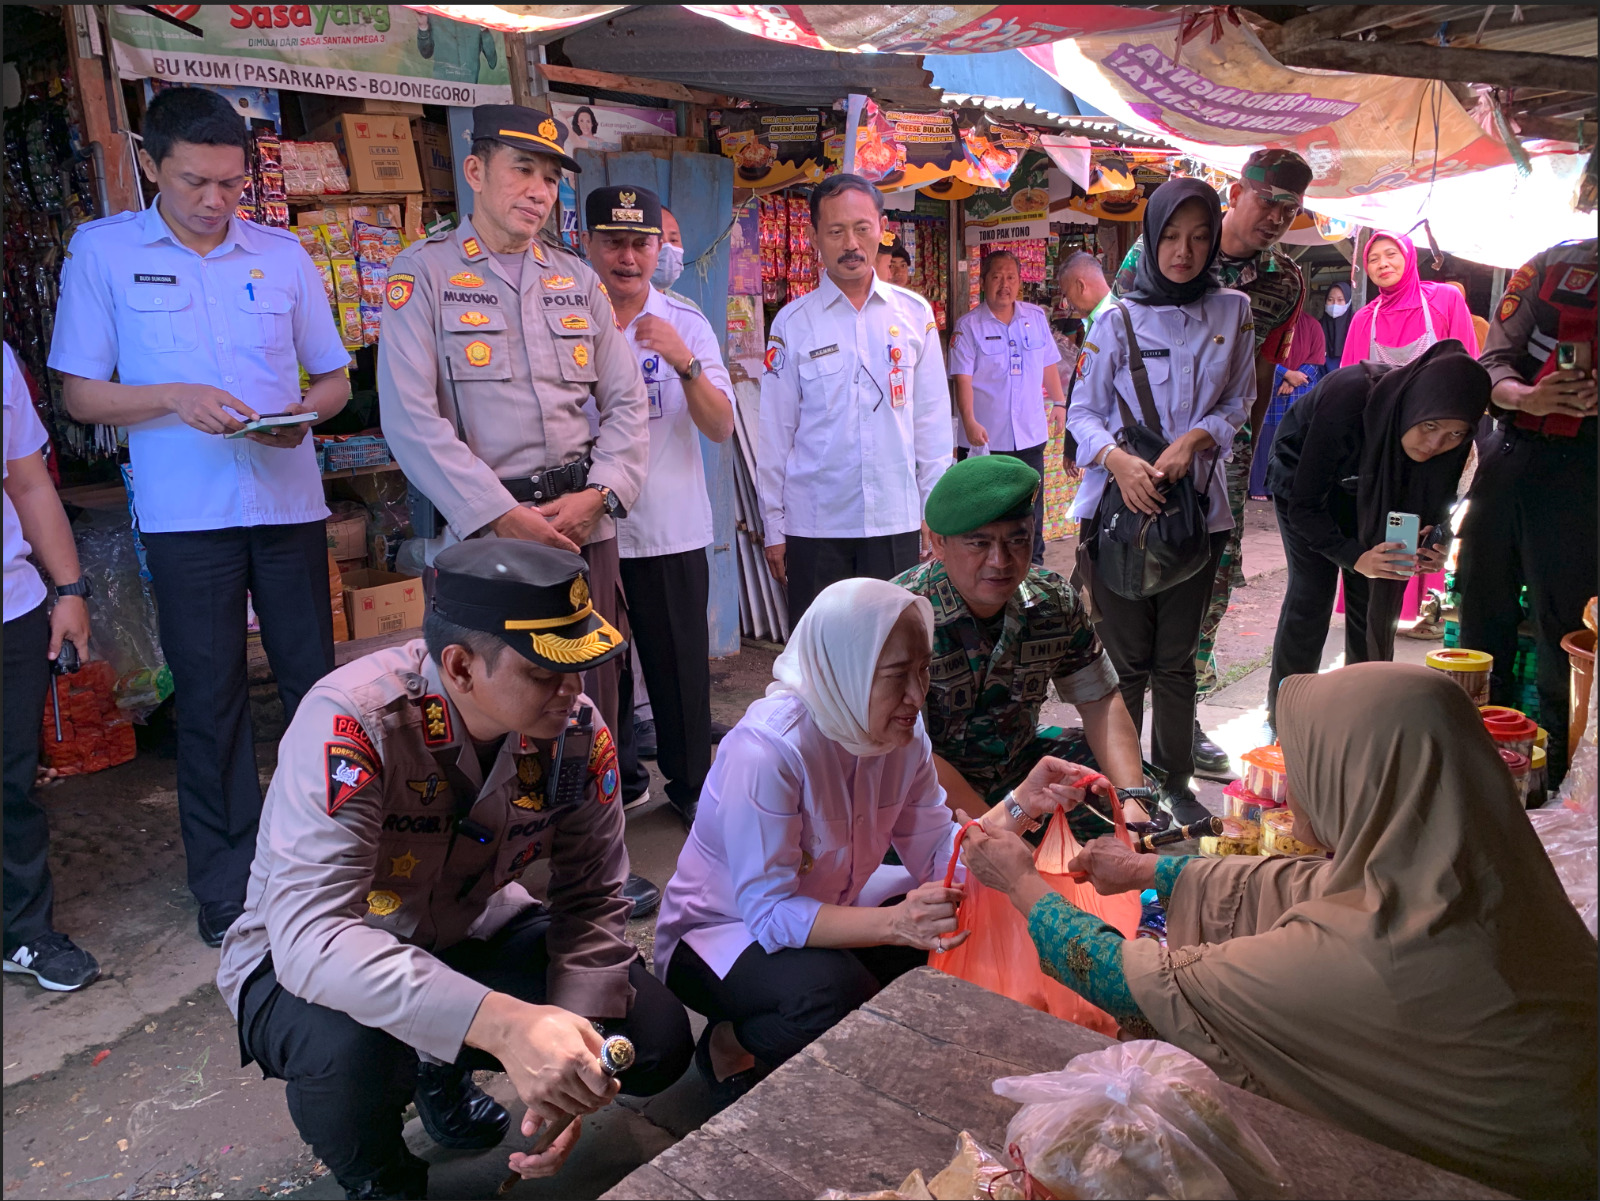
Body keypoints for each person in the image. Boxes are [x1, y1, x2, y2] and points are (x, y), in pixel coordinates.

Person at [959, 663, 1598, 1201]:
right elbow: (1300, 884)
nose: (1294, 783)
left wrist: (1021, 884)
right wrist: (1146, 870)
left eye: (1308, 761)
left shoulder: (1359, 959)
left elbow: (1141, 987)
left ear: (1357, 778)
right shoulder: (1486, 873)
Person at [216, 539, 694, 1200]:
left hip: (466, 929)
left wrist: (569, 1076)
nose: (573, 691)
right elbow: (314, 937)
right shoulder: (352, 724)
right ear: (461, 667)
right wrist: (503, 1024)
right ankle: (383, 1178)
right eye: (544, 672)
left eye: (579, 667)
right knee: (355, 1054)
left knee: (652, 1035)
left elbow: (593, 895)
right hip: (306, 963)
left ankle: (439, 1056)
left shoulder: (573, 733)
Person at [50, 87, 352, 948]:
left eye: (230, 182)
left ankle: (329, 863)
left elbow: (331, 376)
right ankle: (229, 887)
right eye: (194, 183)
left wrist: (309, 409)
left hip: (289, 499)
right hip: (188, 519)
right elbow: (79, 392)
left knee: (316, 692)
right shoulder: (103, 253)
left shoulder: (284, 254)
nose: (216, 201)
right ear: (150, 166)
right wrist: (172, 397)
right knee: (212, 703)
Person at [654, 577, 1108, 1104]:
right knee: (832, 997)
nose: (918, 696)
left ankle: (843, 1011)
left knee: (956, 916)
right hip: (721, 933)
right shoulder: (768, 753)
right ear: (843, 671)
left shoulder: (901, 734)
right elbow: (770, 914)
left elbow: (942, 852)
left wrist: (1022, 804)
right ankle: (730, 1041)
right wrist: (896, 924)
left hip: (831, 906)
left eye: (923, 671)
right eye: (897, 675)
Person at [378, 105, 660, 916]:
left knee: (585, 702)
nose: (537, 191)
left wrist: (603, 493)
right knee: (484, 705)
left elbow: (625, 403)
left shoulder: (576, 279)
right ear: (476, 173)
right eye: (521, 171)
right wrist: (499, 515)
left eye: (548, 178)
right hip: (484, 541)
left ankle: (589, 866)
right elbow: (411, 418)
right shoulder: (421, 275)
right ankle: (481, 878)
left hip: (581, 527)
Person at [1115, 149, 1310, 775]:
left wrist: (1234, 447)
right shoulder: (1161, 243)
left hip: (1218, 452)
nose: (1276, 217)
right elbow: (1115, 350)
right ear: (1236, 192)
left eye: (1290, 208)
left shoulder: (1285, 282)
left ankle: (1184, 718)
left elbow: (1256, 374)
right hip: (1140, 447)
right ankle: (1114, 733)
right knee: (1123, 582)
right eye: (1266, 201)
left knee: (1209, 585)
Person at [1069, 179, 1254, 822]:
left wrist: (1198, 439)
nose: (1185, 251)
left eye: (1200, 237)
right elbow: (1082, 414)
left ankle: (1175, 783)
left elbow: (1239, 401)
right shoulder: (1115, 319)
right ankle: (1126, 792)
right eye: (1172, 236)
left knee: (1177, 662)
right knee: (1125, 664)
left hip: (1197, 512)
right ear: (1150, 238)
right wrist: (1120, 464)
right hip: (1123, 513)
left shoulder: (1233, 311)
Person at [893, 455, 1152, 840]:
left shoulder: (1052, 601)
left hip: (1016, 771)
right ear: (938, 543)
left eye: (1017, 540)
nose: (1000, 561)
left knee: (1099, 777)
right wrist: (1004, 833)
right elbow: (908, 755)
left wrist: (1132, 803)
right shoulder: (901, 616)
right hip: (921, 791)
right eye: (979, 543)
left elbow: (1100, 702)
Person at [582, 185, 734, 828]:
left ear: (657, 249)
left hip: (670, 527)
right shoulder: (564, 316)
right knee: (597, 671)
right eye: (612, 242)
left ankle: (693, 785)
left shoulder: (686, 322)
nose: (627, 257)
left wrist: (684, 361)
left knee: (678, 671)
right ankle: (616, 785)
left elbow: (722, 426)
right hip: (588, 530)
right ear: (586, 244)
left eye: (640, 243)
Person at [757, 173, 951, 622]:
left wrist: (935, 511)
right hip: (816, 526)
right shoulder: (792, 324)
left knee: (894, 658)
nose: (851, 243)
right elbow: (774, 435)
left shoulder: (914, 314)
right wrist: (774, 526)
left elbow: (933, 425)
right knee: (819, 665)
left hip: (895, 520)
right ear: (813, 237)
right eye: (836, 231)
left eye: (862, 228)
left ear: (883, 228)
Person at [1265, 341, 1488, 729]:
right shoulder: (1349, 398)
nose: (1436, 444)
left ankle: (1364, 708)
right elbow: (1305, 505)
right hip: (1310, 487)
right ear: (1414, 406)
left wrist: (1434, 543)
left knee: (1373, 595)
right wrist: (1353, 557)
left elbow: (1437, 508)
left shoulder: (1451, 444)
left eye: (1454, 434)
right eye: (1430, 425)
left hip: (1382, 493)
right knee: (1311, 595)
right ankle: (1285, 713)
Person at [1458, 238, 1598, 785]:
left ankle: (1560, 775)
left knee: (1563, 628)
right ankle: (1472, 759)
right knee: (1481, 608)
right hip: (1512, 456)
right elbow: (1493, 362)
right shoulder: (1552, 265)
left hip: (1586, 474)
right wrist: (1524, 396)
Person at [3, 343, 99, 991]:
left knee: (9, 784)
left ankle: (23, 930)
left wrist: (69, 588)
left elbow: (28, 479)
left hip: (9, 606)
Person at [950, 251, 1068, 565]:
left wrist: (1059, 401)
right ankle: (982, 571)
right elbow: (962, 379)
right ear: (983, 281)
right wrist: (970, 421)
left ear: (1019, 282)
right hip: (985, 439)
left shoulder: (1035, 317)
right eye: (997, 277)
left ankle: (1034, 569)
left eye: (1011, 277)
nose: (1005, 284)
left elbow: (1049, 364)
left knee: (1030, 508)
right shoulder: (968, 327)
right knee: (984, 512)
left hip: (1029, 435)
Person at [1341, 231, 1479, 367]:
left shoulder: (1446, 300)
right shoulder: (1363, 319)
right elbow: (1350, 382)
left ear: (1409, 257)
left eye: (1391, 254)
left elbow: (1467, 369)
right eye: (1373, 259)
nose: (1382, 264)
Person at [1248, 308, 1326, 498]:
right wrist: (1286, 374)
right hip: (1270, 386)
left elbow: (1316, 360)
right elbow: (1260, 355)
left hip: (1301, 388)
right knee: (1265, 436)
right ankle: (1260, 486)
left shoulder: (1312, 325)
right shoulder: (1271, 325)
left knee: (1294, 437)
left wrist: (1296, 378)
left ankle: (1286, 487)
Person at [1054, 250, 1115, 477]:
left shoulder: (1115, 322)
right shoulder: (1095, 322)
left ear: (1081, 285)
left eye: (1068, 296)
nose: (1069, 305)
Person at [415, 11, 499, 84]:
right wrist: (423, 26)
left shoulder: (476, 16)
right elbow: (425, 53)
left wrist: (484, 28)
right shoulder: (434, 14)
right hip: (442, 93)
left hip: (470, 94)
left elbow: (492, 62)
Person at [1318, 281, 1353, 372]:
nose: (1334, 304)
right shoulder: (1317, 327)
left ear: (1348, 302)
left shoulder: (1355, 327)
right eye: (1330, 300)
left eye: (1340, 300)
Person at [653, 206, 686, 291]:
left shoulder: (683, 304)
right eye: (657, 240)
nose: (667, 247)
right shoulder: (615, 303)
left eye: (673, 240)